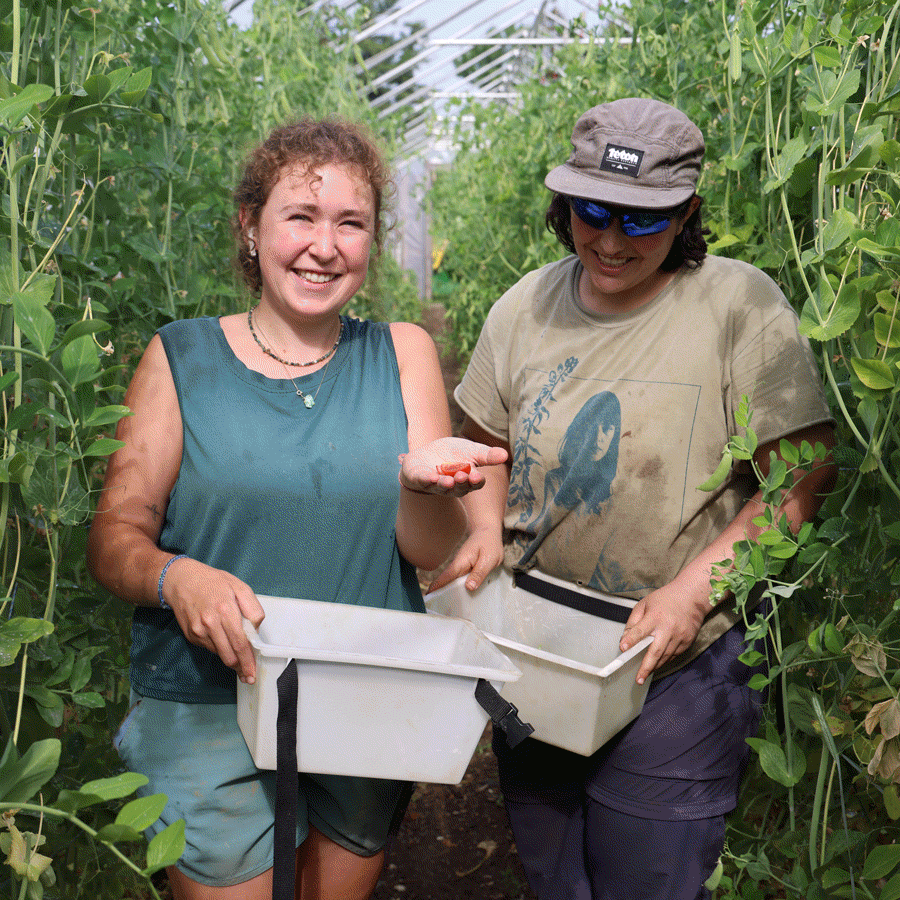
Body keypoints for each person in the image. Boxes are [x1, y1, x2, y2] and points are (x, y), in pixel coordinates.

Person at [86, 117, 506, 900]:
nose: (325, 245)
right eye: (301, 217)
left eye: (351, 223)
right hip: (210, 697)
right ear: (251, 228)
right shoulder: (182, 357)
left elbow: (426, 552)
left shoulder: (403, 351)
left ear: (372, 241)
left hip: (367, 690)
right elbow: (115, 535)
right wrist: (177, 577)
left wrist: (424, 488)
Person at [431, 98, 836, 900]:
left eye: (643, 222)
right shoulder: (526, 307)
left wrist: (694, 592)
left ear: (686, 213)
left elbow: (801, 472)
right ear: (564, 201)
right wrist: (480, 526)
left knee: (649, 877)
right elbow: (482, 450)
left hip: (679, 666)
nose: (611, 242)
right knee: (554, 872)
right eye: (592, 212)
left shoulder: (738, 306)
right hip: (537, 650)